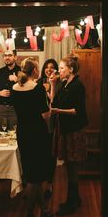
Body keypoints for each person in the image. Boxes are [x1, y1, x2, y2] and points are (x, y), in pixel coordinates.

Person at [12, 57, 54, 217]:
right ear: (34, 71)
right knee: (35, 178)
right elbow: (46, 115)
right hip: (37, 133)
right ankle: (30, 215)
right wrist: (50, 105)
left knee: (31, 173)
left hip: (22, 132)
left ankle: (43, 210)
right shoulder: (37, 89)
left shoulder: (14, 88)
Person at [50, 54, 88, 216]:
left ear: (70, 69)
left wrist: (59, 111)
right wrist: (52, 84)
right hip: (65, 129)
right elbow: (53, 103)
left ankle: (71, 202)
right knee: (68, 166)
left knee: (72, 166)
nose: (59, 71)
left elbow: (77, 111)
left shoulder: (77, 86)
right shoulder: (64, 84)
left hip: (74, 130)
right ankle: (75, 198)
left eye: (61, 68)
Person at [37, 58, 61, 199]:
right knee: (42, 151)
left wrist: (51, 87)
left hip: (52, 121)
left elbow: (54, 101)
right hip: (39, 121)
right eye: (47, 67)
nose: (49, 69)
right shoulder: (39, 83)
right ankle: (40, 181)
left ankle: (50, 184)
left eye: (52, 67)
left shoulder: (58, 83)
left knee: (51, 153)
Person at [0, 49, 21, 131]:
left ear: (15, 57)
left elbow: (27, 90)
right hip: (0, 108)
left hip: (15, 109)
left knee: (15, 135)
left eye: (9, 55)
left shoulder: (21, 71)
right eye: (5, 55)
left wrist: (17, 80)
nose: (7, 58)